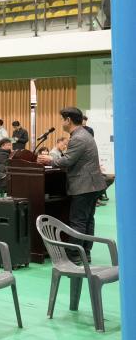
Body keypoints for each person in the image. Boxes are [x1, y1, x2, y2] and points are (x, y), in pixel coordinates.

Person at [37, 107, 107, 263]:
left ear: (68, 120)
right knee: (87, 220)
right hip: (92, 184)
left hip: (84, 185)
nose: (61, 123)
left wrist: (50, 159)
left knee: (78, 221)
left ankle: (74, 256)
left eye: (62, 120)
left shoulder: (78, 137)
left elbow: (67, 161)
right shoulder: (84, 134)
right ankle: (85, 253)